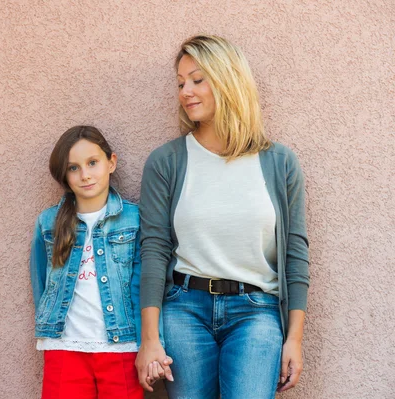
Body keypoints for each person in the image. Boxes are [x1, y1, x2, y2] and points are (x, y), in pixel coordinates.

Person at [136, 35, 310, 399]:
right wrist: (149, 340)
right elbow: (153, 250)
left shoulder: (279, 163)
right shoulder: (167, 162)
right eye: (181, 82)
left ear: (228, 79)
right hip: (184, 310)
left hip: (256, 312)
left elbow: (295, 255)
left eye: (198, 79)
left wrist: (294, 339)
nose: (186, 91)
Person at [30, 126, 144, 399]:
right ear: (64, 175)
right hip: (63, 346)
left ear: (111, 162)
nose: (85, 175)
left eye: (93, 163)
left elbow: (144, 284)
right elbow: (41, 282)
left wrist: (149, 341)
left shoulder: (135, 219)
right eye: (73, 168)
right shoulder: (48, 222)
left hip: (121, 347)